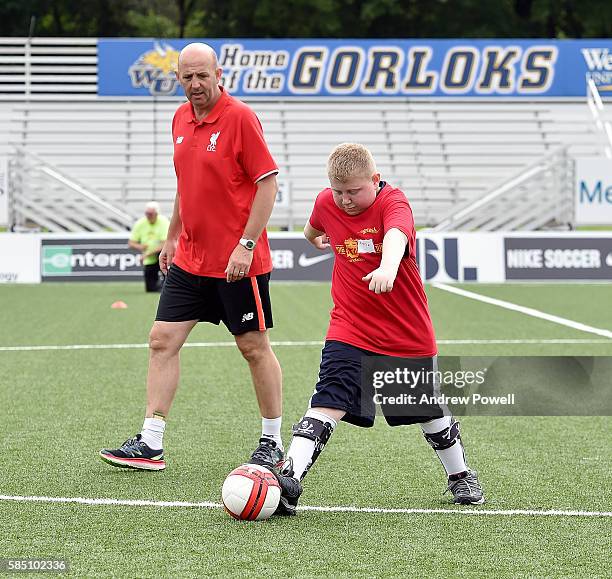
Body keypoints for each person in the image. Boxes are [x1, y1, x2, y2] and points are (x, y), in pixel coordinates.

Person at [272, 143, 485, 515]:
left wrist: (388, 267)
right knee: (328, 397)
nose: (345, 200)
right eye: (339, 191)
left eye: (353, 191)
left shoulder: (394, 202)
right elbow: (312, 228)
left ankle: (461, 475)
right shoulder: (327, 202)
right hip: (349, 325)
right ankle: (289, 478)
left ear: (375, 179)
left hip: (405, 331)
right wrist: (316, 238)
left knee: (425, 410)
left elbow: (397, 235)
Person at [100, 43, 284, 472]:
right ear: (178, 79)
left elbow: (267, 184)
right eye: (188, 77)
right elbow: (187, 184)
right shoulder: (180, 118)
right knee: (161, 340)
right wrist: (171, 238)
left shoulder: (240, 118)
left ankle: (272, 441)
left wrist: (247, 243)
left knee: (253, 348)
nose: (196, 84)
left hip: (239, 264)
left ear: (219, 74)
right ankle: (151, 441)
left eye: (203, 75)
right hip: (190, 261)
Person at [128, 201, 170, 292]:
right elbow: (131, 243)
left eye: (150, 213)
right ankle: (159, 286)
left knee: (167, 276)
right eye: (147, 213)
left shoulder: (163, 221)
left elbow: (165, 243)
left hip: (162, 256)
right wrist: (140, 247)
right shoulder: (140, 223)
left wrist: (146, 254)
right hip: (149, 259)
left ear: (156, 213)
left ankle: (166, 284)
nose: (148, 216)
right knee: (150, 289)